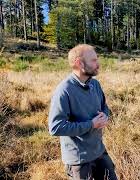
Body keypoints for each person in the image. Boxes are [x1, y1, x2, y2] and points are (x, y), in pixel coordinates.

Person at [48, 44, 117, 180]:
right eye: (94, 60)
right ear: (79, 63)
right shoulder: (64, 90)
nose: (98, 64)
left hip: (99, 151)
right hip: (79, 160)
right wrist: (91, 124)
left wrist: (105, 115)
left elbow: (104, 107)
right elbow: (55, 128)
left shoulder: (95, 84)